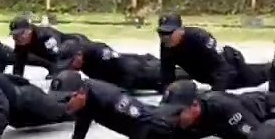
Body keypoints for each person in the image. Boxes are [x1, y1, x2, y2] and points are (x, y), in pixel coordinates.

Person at [51, 72, 206, 139]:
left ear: (80, 93)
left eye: (67, 99)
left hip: (162, 127)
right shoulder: (84, 97)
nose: (65, 104)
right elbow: (84, 118)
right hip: (143, 125)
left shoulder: (109, 97)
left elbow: (143, 121)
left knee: (201, 124)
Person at [156, 13, 275, 92]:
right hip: (207, 74)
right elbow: (166, 72)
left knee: (257, 76)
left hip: (230, 66)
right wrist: (168, 93)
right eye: (161, 33)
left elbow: (223, 68)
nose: (165, 37)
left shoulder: (199, 37)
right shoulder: (166, 45)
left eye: (169, 33)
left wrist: (216, 93)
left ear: (181, 30)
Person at [50, 39, 189, 93]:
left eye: (71, 62)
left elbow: (127, 67)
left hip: (141, 70)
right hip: (127, 74)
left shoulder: (99, 52)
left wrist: (122, 89)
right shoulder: (83, 62)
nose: (70, 67)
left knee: (179, 74)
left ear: (79, 55)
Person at [9, 15, 88, 77]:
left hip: (79, 44)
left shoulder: (45, 34)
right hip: (57, 57)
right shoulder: (21, 43)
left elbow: (60, 51)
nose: (17, 38)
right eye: (14, 35)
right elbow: (19, 62)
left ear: (29, 30)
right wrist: (16, 78)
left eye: (20, 34)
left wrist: (58, 71)